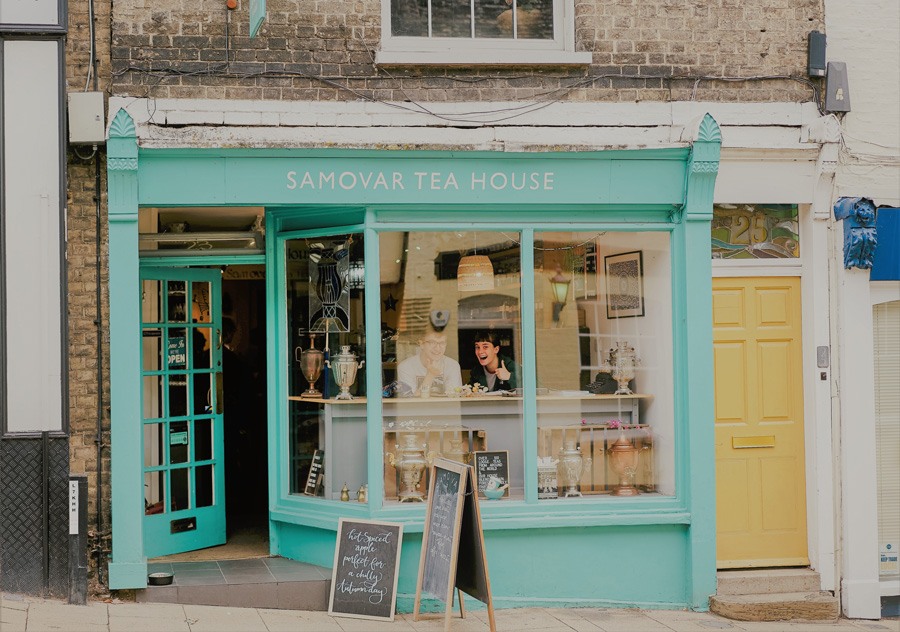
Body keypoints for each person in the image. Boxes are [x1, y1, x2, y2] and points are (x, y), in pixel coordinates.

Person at [396, 329, 462, 397]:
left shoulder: (452, 365)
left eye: (442, 343)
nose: (437, 348)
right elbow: (410, 401)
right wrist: (431, 374)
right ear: (421, 344)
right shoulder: (406, 367)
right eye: (432, 342)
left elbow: (454, 398)